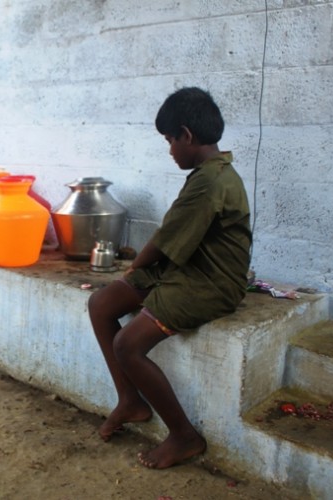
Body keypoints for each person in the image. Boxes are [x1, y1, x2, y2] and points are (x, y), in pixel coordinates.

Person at [87, 87, 252, 469]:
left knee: (128, 344)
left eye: (169, 141)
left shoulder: (212, 181)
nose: (170, 151)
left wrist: (132, 269)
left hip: (212, 283)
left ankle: (184, 436)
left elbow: (165, 241)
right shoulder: (207, 174)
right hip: (185, 268)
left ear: (186, 135)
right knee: (101, 304)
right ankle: (130, 400)